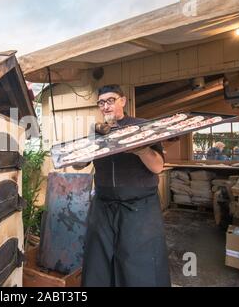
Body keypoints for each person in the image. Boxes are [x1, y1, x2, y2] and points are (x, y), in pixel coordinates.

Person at [73, 85, 171, 287]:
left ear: (123, 101)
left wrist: (141, 150)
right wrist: (83, 154)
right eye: (101, 103)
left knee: (139, 263)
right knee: (99, 263)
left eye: (111, 100)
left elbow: (158, 166)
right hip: (104, 206)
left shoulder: (143, 127)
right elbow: (78, 162)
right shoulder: (97, 133)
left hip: (139, 208)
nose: (106, 106)